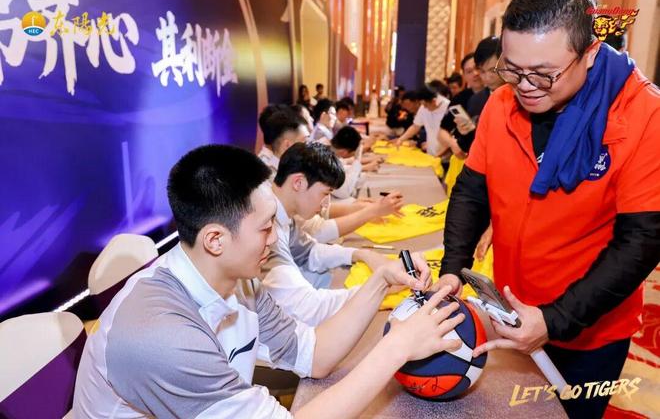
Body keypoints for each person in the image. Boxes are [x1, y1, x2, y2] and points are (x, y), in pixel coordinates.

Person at [73, 144, 465, 418]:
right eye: (265, 228)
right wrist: (398, 346)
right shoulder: (160, 335)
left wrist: (380, 281)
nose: (276, 240)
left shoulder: (239, 281)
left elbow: (315, 355)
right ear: (215, 239)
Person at [436, 0, 660, 418]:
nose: (525, 86)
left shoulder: (644, 114)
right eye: (512, 68)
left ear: (590, 52)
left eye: (543, 73)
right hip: (512, 312)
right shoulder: (502, 104)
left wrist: (555, 320)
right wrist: (452, 267)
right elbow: (471, 190)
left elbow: (642, 240)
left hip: (591, 330)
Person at [263, 142, 402, 319]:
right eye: (325, 193)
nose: (326, 204)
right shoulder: (266, 228)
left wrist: (360, 254)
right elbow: (307, 307)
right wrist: (379, 286)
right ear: (298, 182)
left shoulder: (281, 212)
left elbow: (308, 251)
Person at [257, 105, 400, 244]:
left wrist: (360, 207)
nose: (309, 144)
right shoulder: (267, 178)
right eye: (304, 141)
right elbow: (313, 231)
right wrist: (370, 211)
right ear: (287, 145)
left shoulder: (284, 165)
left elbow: (319, 212)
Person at [454, 36, 505, 153]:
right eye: (482, 71)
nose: (487, 77)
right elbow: (470, 147)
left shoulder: (520, 97)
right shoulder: (476, 100)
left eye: (493, 70)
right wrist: (466, 132)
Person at [395, 86, 453, 157]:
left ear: (434, 101)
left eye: (426, 105)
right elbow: (415, 126)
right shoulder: (424, 107)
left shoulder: (448, 107)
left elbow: (452, 138)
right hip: (431, 153)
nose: (424, 107)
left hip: (445, 156)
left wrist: (438, 156)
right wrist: (401, 139)